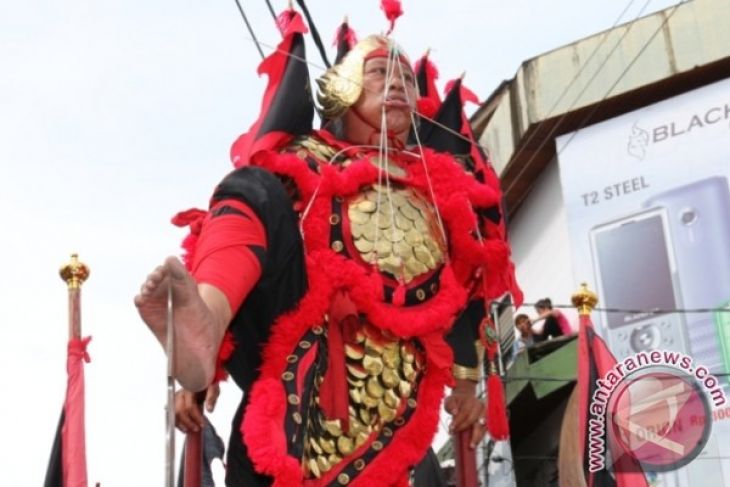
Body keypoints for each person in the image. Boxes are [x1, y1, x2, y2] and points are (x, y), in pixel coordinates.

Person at [136, 27, 518, 486]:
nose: (397, 83)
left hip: (393, 406)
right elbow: (261, 246)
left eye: (406, 79)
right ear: (343, 83)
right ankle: (203, 327)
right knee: (253, 187)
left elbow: (467, 286)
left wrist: (464, 384)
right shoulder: (306, 158)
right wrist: (205, 374)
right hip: (296, 378)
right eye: (379, 72)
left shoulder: (441, 190)